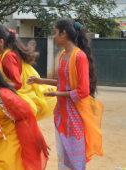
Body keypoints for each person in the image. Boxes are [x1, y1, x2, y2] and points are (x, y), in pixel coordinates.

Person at [27, 18, 104, 170]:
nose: (53, 36)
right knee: (62, 160)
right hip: (60, 115)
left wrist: (57, 93)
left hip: (74, 117)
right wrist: (40, 81)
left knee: (75, 162)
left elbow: (83, 91)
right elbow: (63, 83)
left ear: (63, 33)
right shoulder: (63, 54)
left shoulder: (79, 56)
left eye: (55, 33)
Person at [0, 65, 48, 170]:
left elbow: (26, 117)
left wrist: (38, 139)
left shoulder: (7, 97)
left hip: (11, 131)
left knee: (5, 164)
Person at [0, 24, 57, 120]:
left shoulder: (8, 57)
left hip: (18, 99)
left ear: (1, 41)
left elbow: (17, 84)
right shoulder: (7, 52)